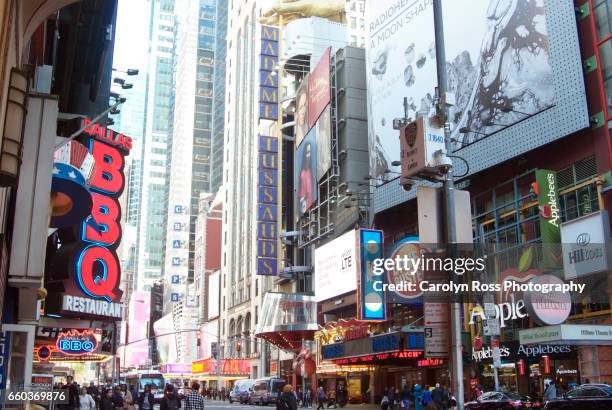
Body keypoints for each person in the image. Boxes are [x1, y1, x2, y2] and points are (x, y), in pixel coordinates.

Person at [298, 142, 315, 213]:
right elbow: (301, 195)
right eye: (307, 152)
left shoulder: (310, 171)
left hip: (313, 205)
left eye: (310, 152)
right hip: (306, 207)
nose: (309, 155)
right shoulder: (303, 173)